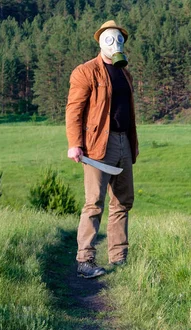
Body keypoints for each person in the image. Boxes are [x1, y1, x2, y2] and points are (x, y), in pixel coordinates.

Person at [66, 20, 138, 279]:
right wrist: (75, 144)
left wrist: (130, 144)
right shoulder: (85, 72)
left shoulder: (125, 73)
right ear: (100, 42)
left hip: (123, 143)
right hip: (97, 145)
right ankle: (85, 260)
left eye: (119, 39)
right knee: (94, 204)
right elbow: (74, 110)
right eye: (110, 39)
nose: (115, 44)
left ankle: (119, 259)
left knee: (122, 202)